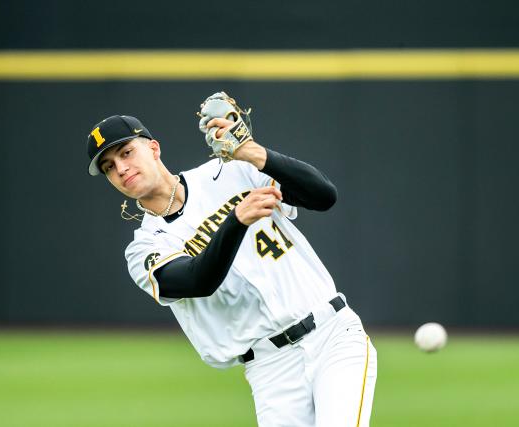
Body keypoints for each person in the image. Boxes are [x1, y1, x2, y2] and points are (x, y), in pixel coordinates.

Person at [86, 96, 377, 426]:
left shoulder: (228, 172)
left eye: (126, 153)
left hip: (332, 335)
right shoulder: (144, 247)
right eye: (109, 166)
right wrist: (236, 220)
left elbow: (324, 196)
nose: (121, 168)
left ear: (153, 149)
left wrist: (251, 151)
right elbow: (198, 280)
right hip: (270, 369)